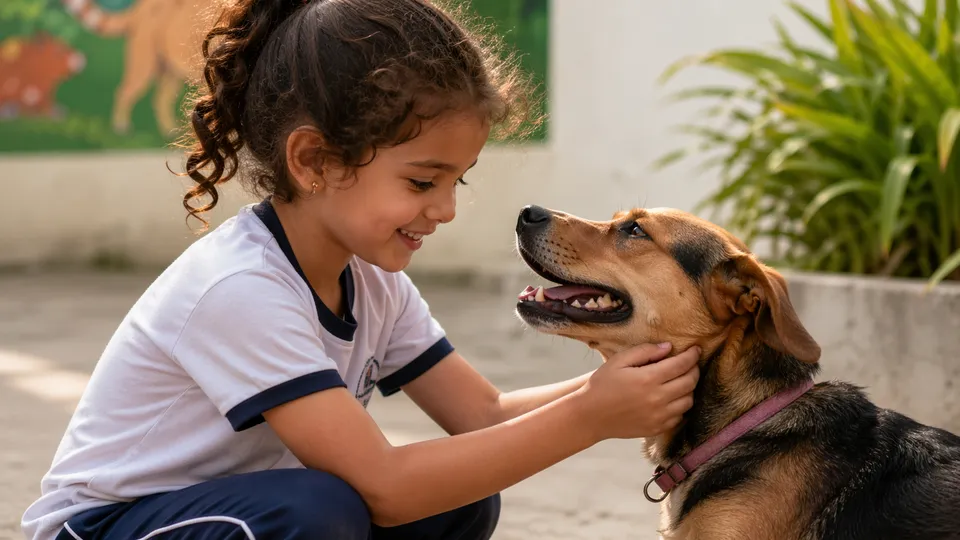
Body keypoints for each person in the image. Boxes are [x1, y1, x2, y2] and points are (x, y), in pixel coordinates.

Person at [22, 0, 701, 538]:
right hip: (107, 525)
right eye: (422, 181)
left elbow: (484, 416)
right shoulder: (240, 288)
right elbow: (385, 486)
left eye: (457, 182)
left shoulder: (375, 281)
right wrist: (590, 415)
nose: (444, 210)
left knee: (460, 495)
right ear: (314, 161)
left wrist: (627, 379)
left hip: (233, 512)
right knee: (323, 510)